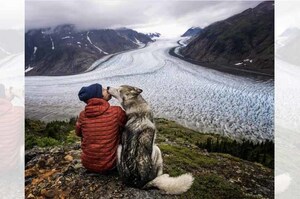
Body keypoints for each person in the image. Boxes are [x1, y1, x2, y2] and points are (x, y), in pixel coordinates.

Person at [76, 83, 126, 173]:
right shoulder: (116, 112)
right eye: (103, 90)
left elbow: (78, 133)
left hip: (88, 164)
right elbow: (127, 126)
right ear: (99, 96)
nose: (107, 90)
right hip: (110, 165)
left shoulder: (82, 115)